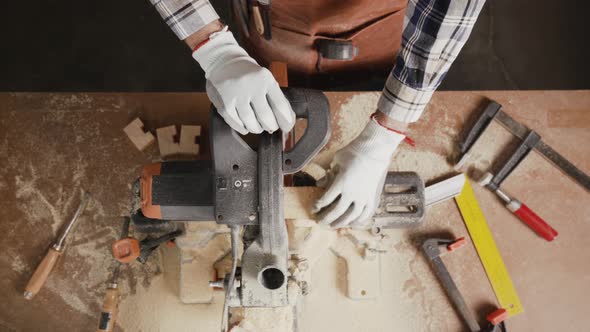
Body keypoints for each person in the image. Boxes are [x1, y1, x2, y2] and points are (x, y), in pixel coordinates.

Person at [149, 0, 485, 228]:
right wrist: (214, 48)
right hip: (272, 21)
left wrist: (385, 135)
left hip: (379, 29)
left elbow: (449, 10)